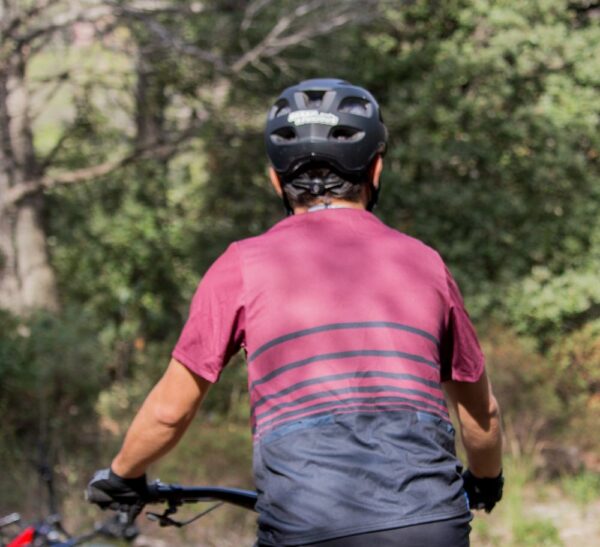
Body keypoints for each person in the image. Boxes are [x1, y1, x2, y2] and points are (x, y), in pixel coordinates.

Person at [87, 78, 504, 546]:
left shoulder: (240, 266)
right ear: (377, 170)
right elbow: (479, 410)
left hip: (308, 528)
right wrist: (486, 482)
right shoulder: (425, 262)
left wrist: (123, 475)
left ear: (275, 179)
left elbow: (170, 412)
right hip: (430, 525)